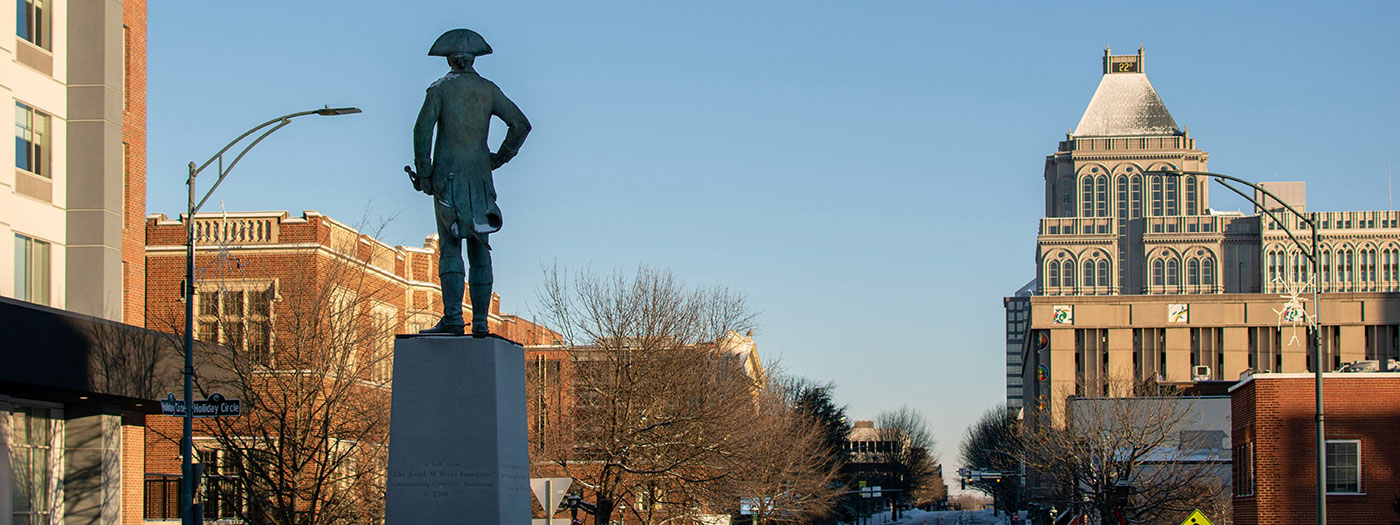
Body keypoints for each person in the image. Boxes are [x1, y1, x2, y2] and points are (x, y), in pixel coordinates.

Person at [412, 28, 530, 336]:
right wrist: (498, 158)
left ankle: (453, 317)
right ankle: (479, 321)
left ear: (450, 60)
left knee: (451, 247)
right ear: (472, 59)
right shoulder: (488, 89)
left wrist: (424, 174)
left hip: (446, 179)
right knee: (481, 246)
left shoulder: (438, 89)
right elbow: (521, 124)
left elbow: (422, 131)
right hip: (480, 178)